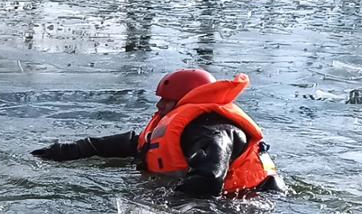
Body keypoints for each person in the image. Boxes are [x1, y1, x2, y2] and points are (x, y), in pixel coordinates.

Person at [32, 69, 287, 196]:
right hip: (226, 199)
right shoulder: (182, 125)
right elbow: (134, 144)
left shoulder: (214, 131)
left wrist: (164, 204)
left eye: (166, 100)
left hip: (248, 205)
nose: (158, 105)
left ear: (184, 100)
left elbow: (209, 179)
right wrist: (69, 150)